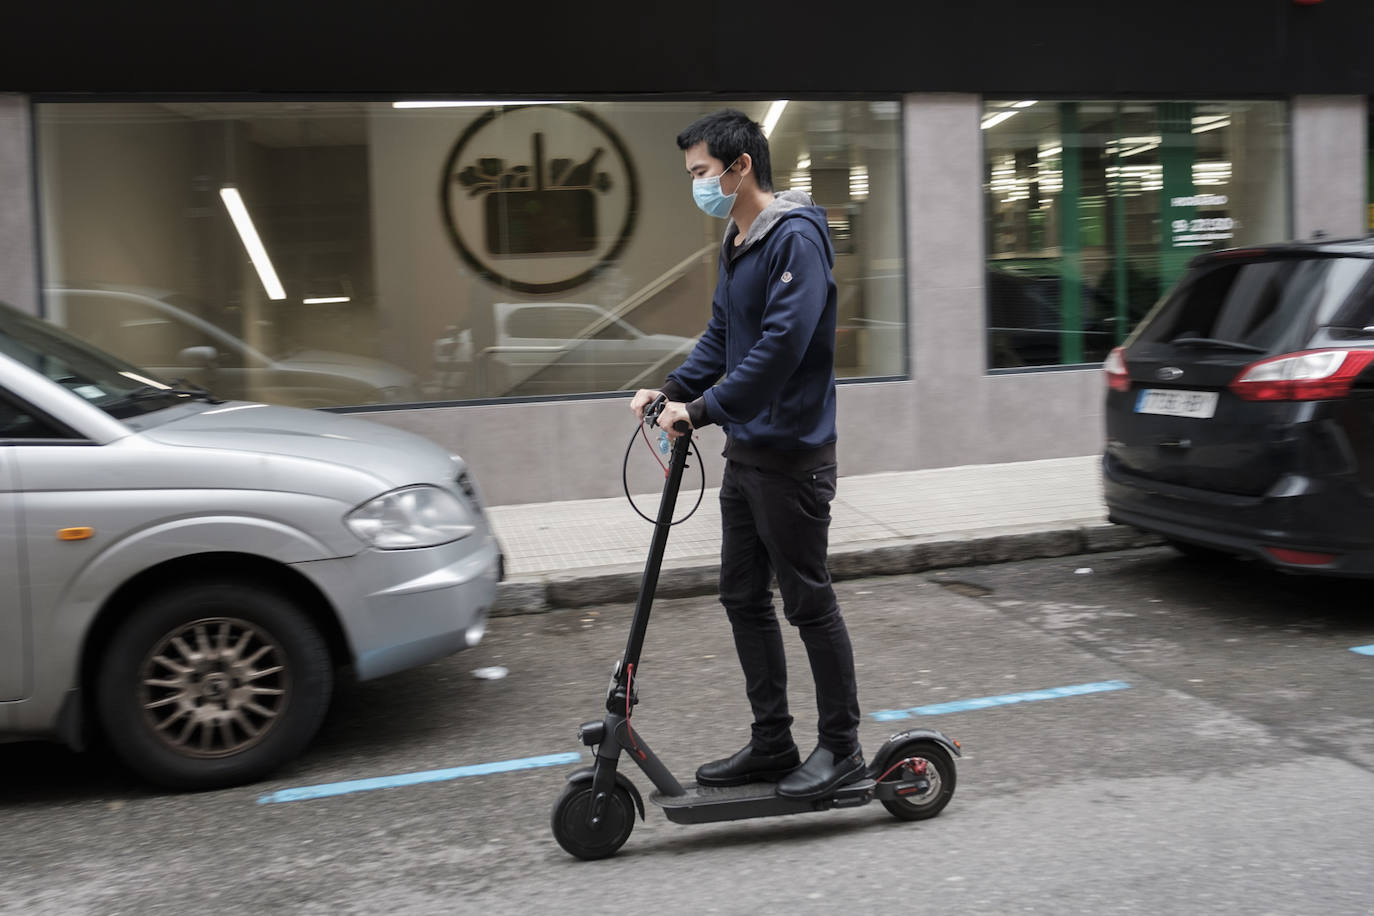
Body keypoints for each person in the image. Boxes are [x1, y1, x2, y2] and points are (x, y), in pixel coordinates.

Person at [630, 109, 862, 800]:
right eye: (692, 174)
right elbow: (724, 336)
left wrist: (701, 411)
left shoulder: (795, 240)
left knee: (807, 602)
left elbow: (780, 351)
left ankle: (842, 746)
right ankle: (772, 743)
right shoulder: (738, 241)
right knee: (741, 597)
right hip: (748, 453)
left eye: (702, 173)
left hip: (792, 456)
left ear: (741, 167)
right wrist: (669, 390)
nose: (697, 185)